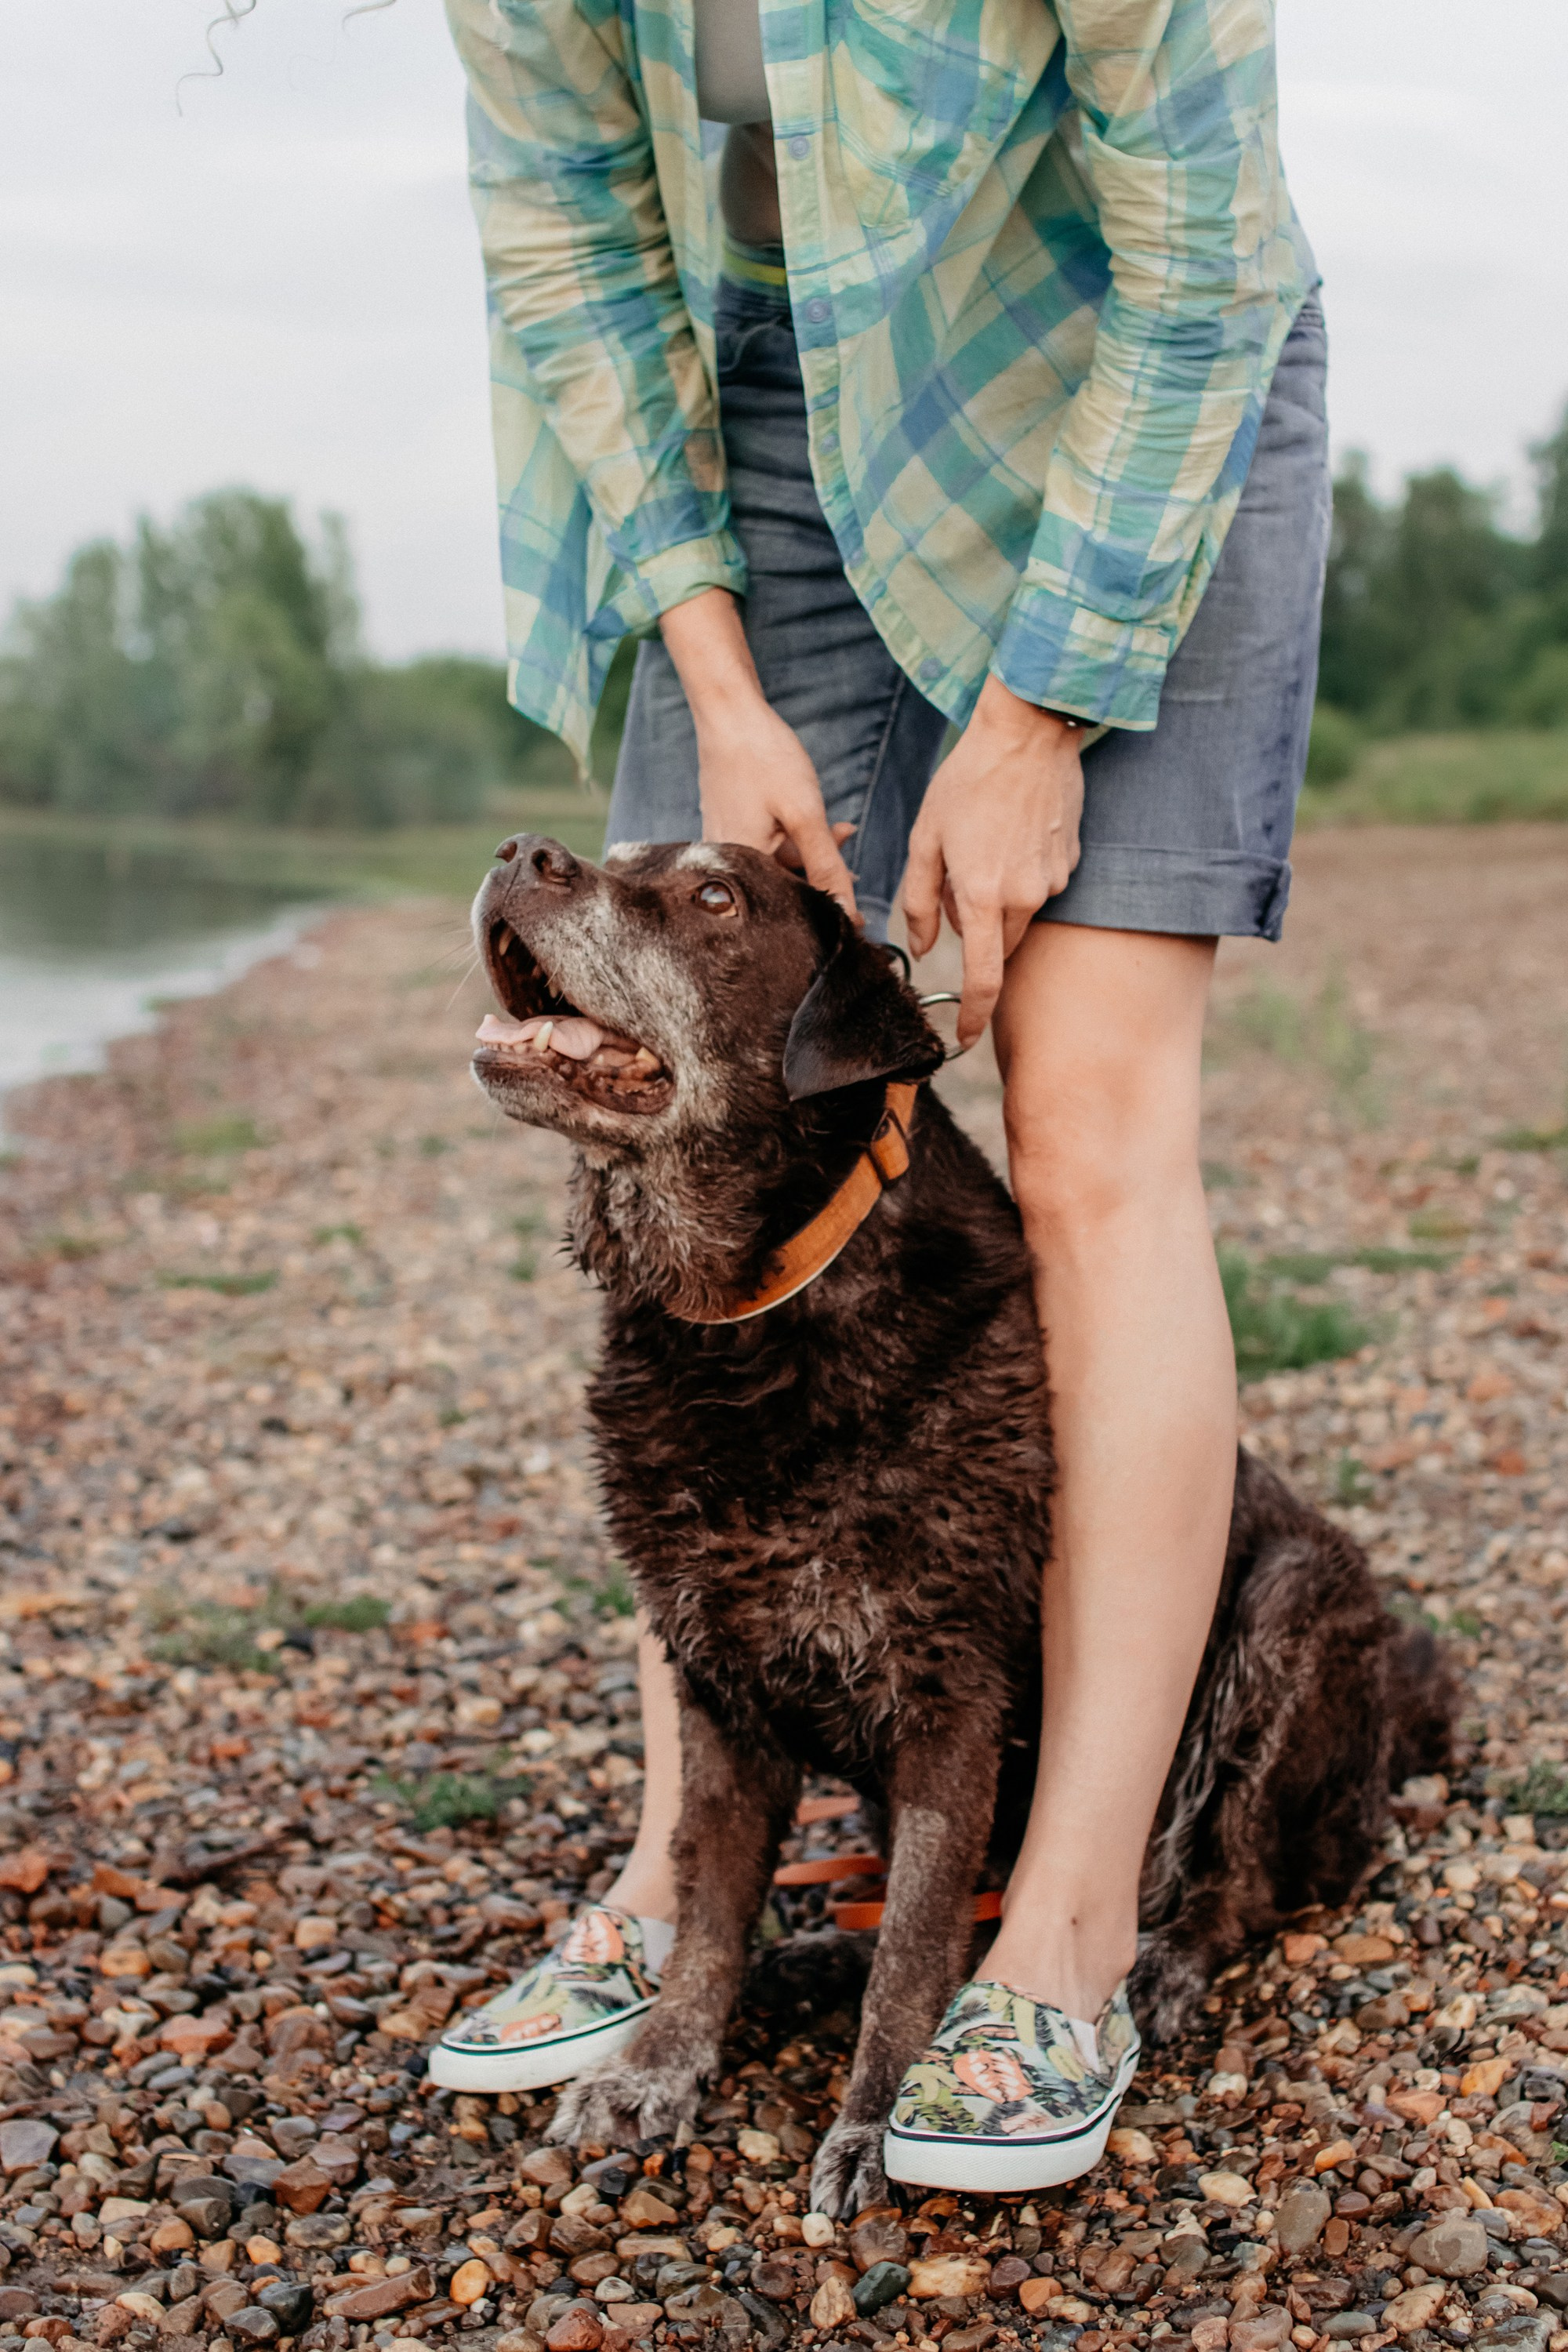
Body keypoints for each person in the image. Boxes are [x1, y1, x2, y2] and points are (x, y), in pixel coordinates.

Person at [428, 0, 1330, 2189]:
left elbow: (1201, 239)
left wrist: (1040, 718)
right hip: (752, 404)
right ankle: (679, 1884)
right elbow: (571, 239)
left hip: (1131, 366)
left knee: (1091, 1133)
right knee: (691, 1119)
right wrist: (716, 671)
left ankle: (1065, 1930)